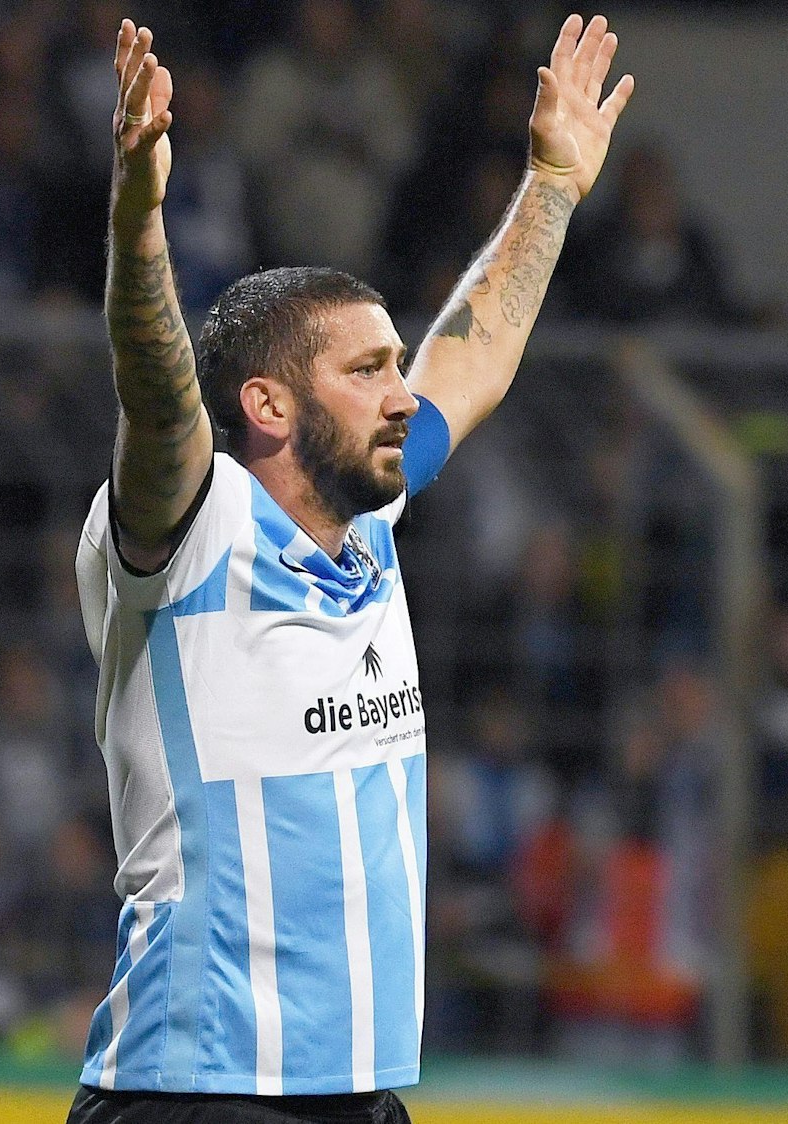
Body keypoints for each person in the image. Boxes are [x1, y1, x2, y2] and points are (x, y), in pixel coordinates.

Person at [67, 14, 632, 1124]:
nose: (401, 391)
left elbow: (470, 355)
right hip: (204, 1086)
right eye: (368, 369)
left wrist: (552, 185)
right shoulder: (192, 524)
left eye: (393, 364)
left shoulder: (362, 525)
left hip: (353, 1091)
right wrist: (139, 220)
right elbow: (155, 381)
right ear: (268, 404)